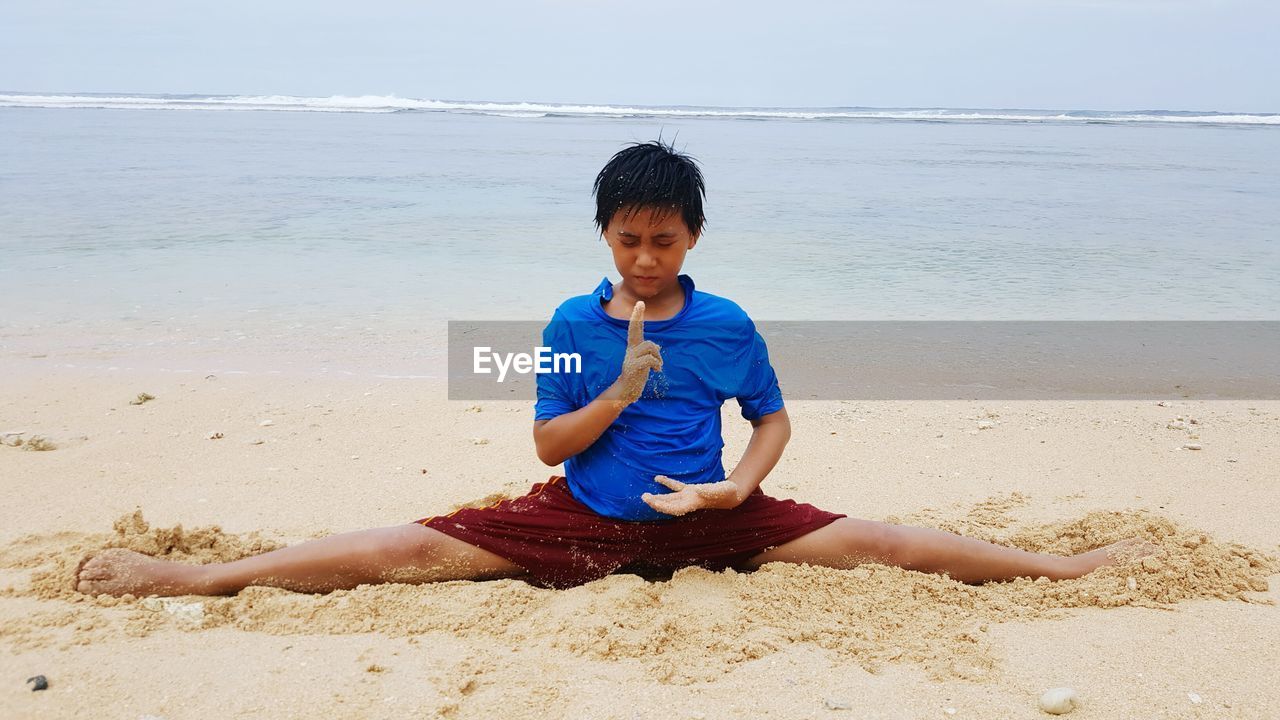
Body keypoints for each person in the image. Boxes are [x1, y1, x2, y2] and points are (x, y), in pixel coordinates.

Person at [74, 141, 1142, 598]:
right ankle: (203, 578)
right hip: (579, 516)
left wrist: (743, 481)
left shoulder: (724, 321)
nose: (645, 257)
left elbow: (768, 418)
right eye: (627, 238)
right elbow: (543, 443)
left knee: (881, 541)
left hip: (707, 519)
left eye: (664, 239)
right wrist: (616, 393)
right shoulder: (562, 322)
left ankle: (1059, 571)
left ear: (692, 238)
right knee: (404, 551)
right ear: (603, 235)